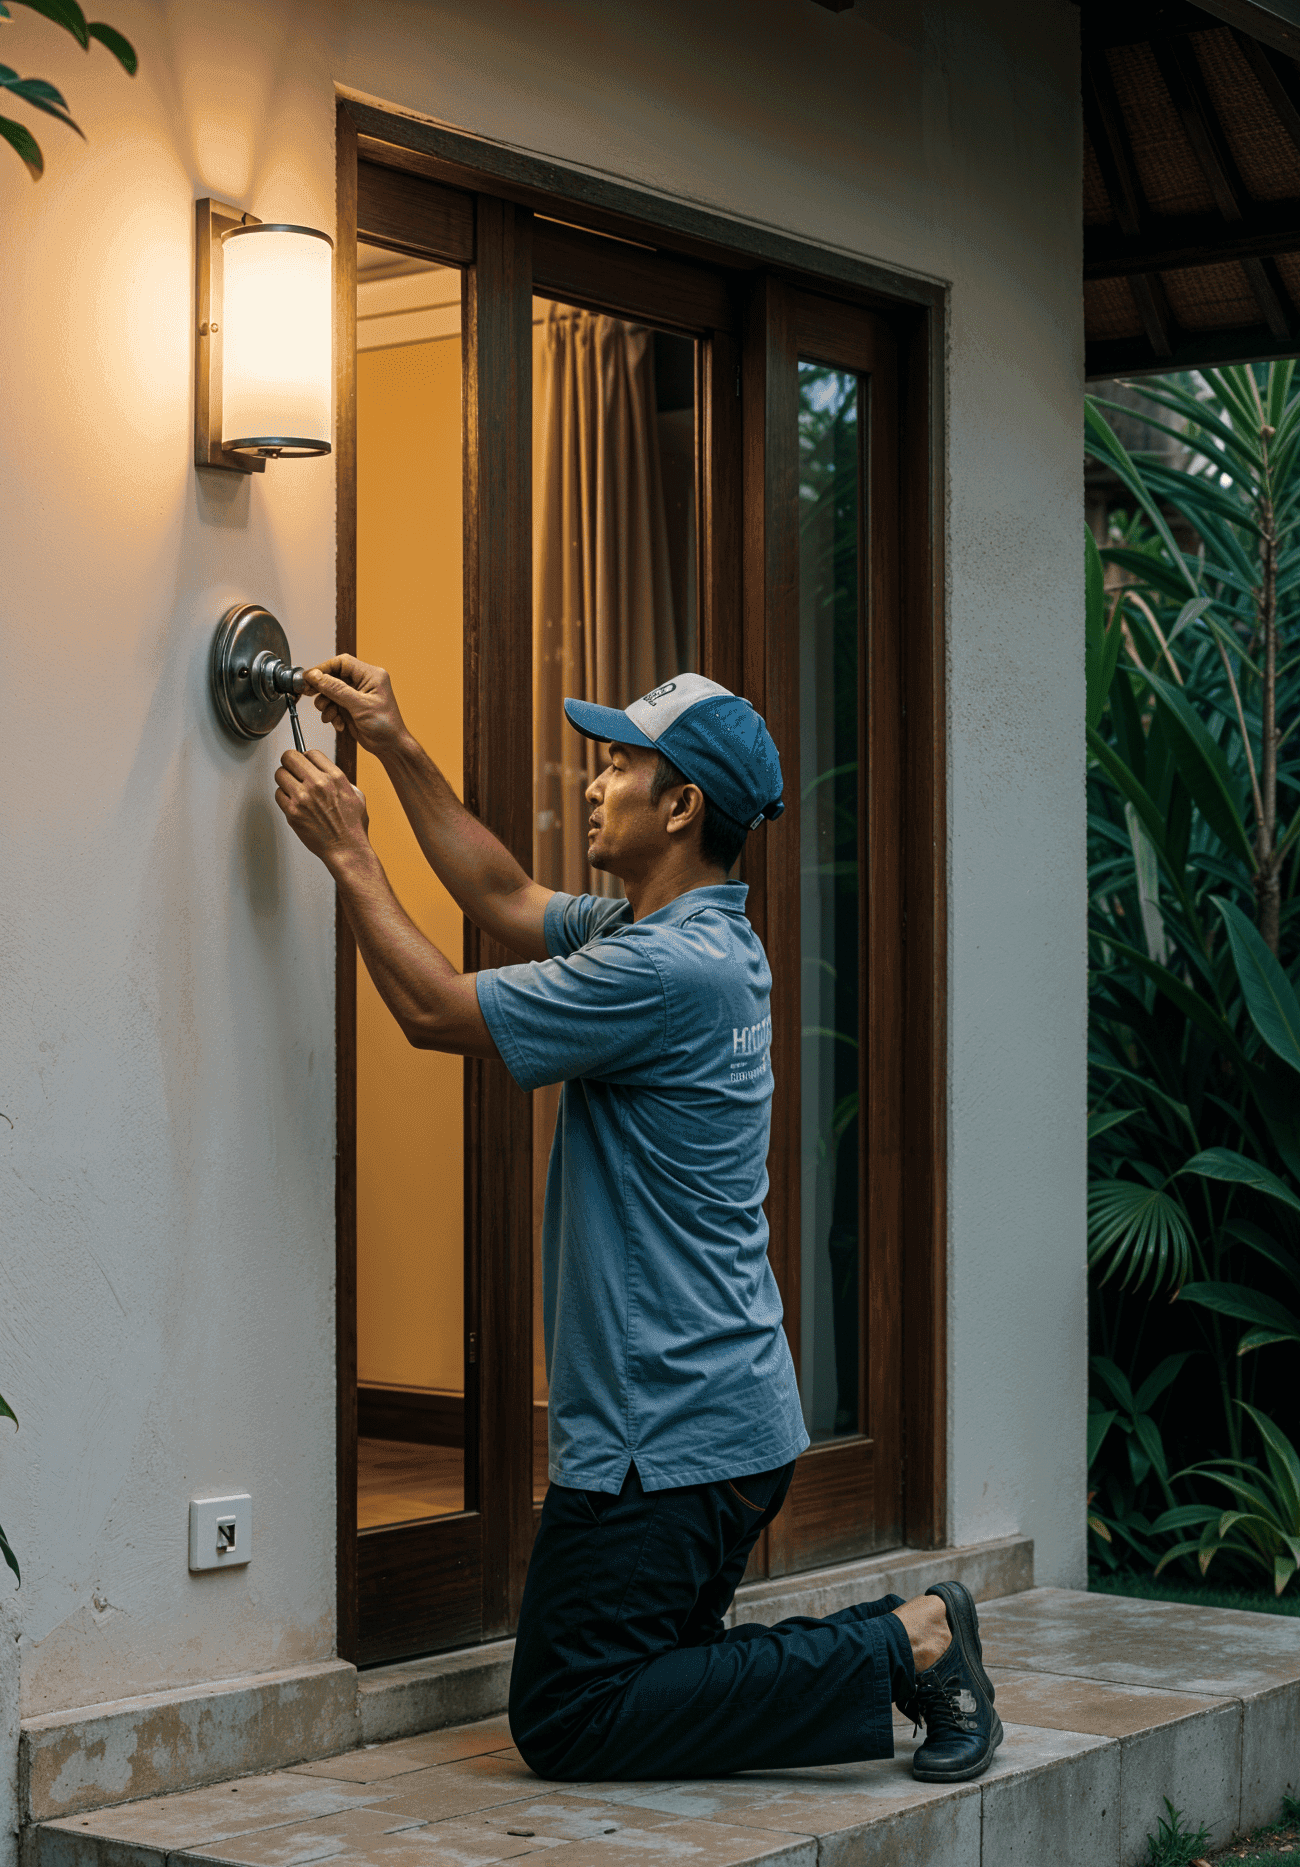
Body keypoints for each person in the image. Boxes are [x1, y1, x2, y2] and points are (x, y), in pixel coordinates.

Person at [273, 655, 1001, 1786]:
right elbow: (505, 899)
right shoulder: (677, 937)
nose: (593, 777)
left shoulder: (664, 970)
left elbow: (430, 1008)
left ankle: (907, 1640)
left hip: (666, 1433)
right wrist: (396, 743)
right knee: (642, 1669)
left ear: (680, 806)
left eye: (619, 762)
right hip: (704, 1414)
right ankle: (901, 1640)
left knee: (572, 1711)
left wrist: (347, 850)